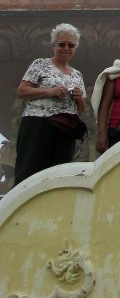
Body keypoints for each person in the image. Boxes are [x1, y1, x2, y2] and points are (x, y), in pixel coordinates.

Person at [14, 23, 87, 185]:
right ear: (54, 45)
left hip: (65, 129)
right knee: (30, 169)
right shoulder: (40, 64)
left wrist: (79, 99)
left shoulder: (77, 75)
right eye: (62, 44)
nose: (66, 48)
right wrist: (50, 91)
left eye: (71, 45)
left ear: (75, 48)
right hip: (38, 124)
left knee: (59, 173)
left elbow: (81, 109)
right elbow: (22, 91)